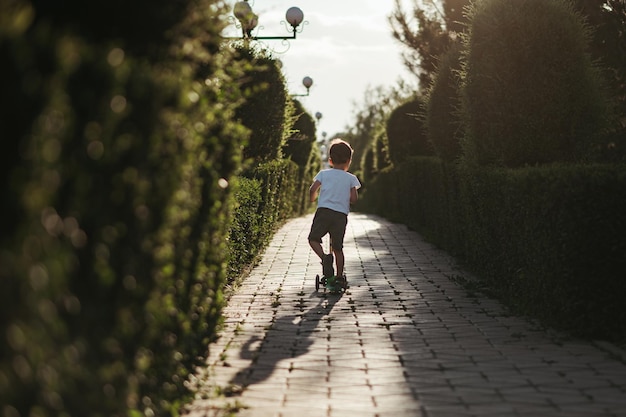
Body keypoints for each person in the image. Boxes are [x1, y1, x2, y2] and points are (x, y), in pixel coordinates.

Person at [308, 138, 361, 285]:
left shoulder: (323, 174)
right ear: (349, 161)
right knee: (337, 247)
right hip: (340, 215)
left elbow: (312, 189)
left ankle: (324, 258)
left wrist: (313, 199)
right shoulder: (351, 178)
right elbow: (354, 199)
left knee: (313, 238)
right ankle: (339, 277)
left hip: (323, 212)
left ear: (330, 160)